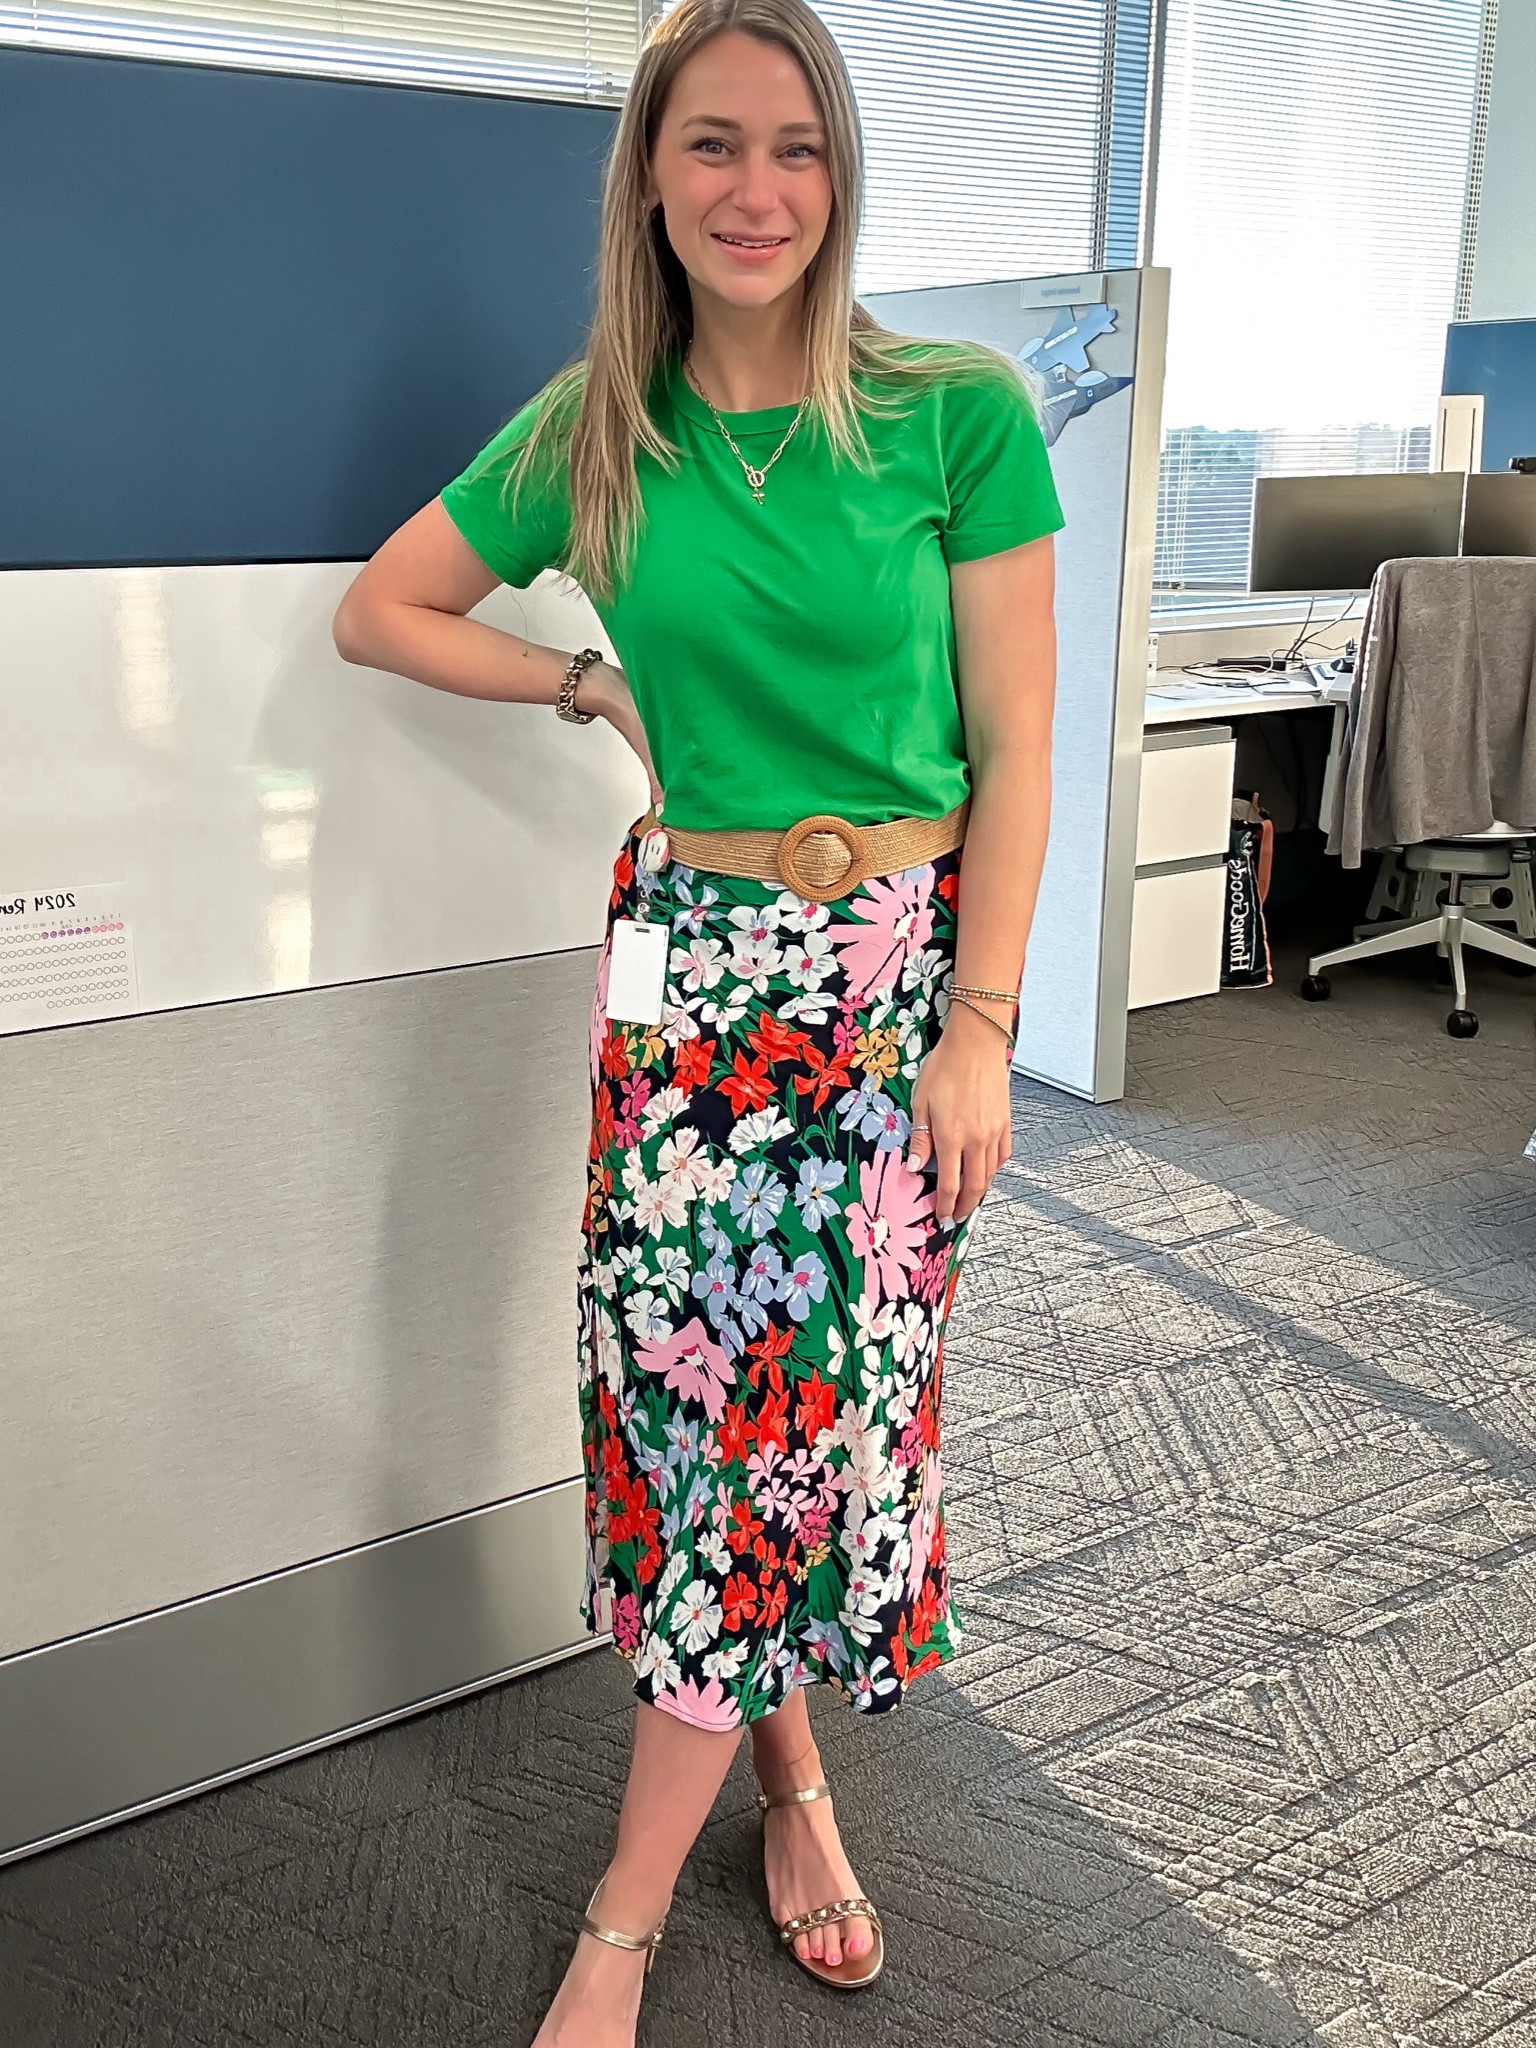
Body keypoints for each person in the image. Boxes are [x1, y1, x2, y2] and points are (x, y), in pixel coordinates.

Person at [333, 1, 1061, 2038]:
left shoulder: (954, 411)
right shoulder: (595, 432)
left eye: (799, 149)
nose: (759, 191)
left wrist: (985, 1025)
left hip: (900, 989)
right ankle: (721, 1831)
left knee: (823, 1425)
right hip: (692, 987)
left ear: (843, 178)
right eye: (715, 145)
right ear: (649, 176)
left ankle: (685, 1857)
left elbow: (1018, 749)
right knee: (698, 1426)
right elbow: (384, 604)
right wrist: (582, 686)